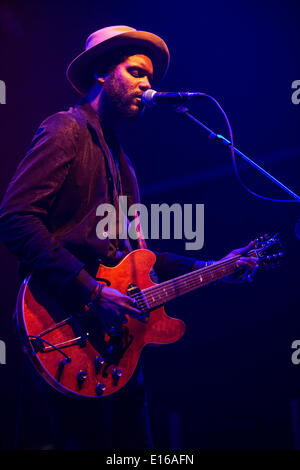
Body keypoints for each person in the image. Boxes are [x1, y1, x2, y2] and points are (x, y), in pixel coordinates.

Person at [0, 25, 258, 450]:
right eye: (137, 72)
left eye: (151, 78)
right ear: (102, 71)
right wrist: (91, 294)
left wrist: (215, 268)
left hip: (117, 351)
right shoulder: (65, 131)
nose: (148, 86)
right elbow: (14, 218)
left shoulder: (123, 162)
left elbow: (140, 259)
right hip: (66, 331)